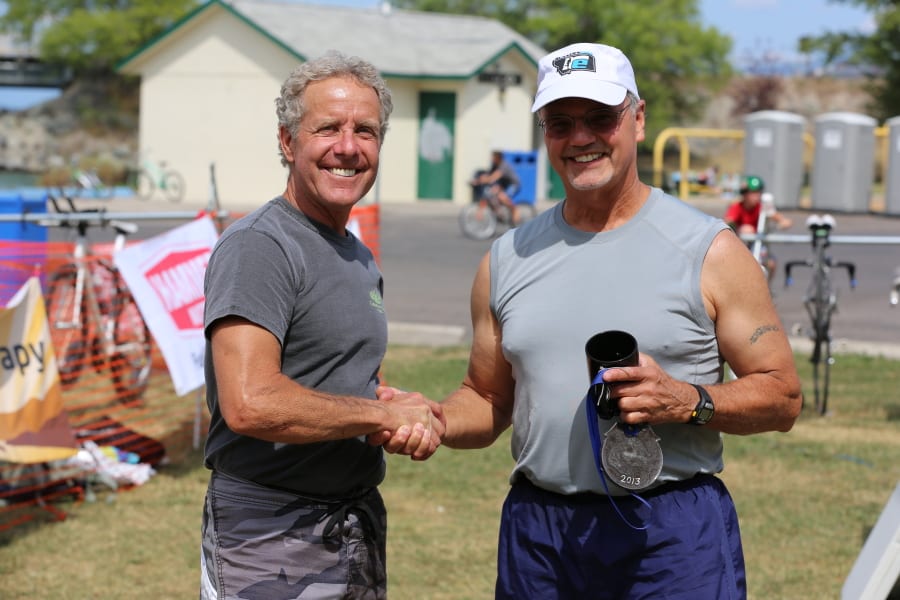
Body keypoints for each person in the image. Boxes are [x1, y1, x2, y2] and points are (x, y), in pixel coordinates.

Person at [380, 42, 802, 598]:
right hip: (541, 535)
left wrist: (688, 400)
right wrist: (433, 419)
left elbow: (782, 396)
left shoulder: (710, 250)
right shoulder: (506, 258)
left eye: (601, 118)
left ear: (638, 119)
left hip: (670, 535)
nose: (580, 138)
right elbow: (487, 398)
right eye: (560, 123)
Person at [199, 51, 445, 600]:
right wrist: (380, 414)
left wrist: (389, 406)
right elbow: (250, 402)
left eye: (366, 131)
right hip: (269, 535)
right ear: (288, 142)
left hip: (353, 522)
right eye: (328, 128)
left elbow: (334, 374)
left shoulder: (356, 254)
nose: (348, 147)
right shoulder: (261, 246)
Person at [725, 175, 793, 280]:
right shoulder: (737, 207)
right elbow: (728, 221)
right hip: (740, 245)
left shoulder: (763, 207)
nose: (756, 196)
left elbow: (778, 217)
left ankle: (766, 287)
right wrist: (739, 229)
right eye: (752, 193)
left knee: (771, 264)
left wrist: (784, 222)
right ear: (744, 194)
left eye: (758, 193)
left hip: (758, 245)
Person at [470, 150, 522, 223]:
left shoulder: (504, 166)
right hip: (504, 184)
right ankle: (499, 214)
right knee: (491, 195)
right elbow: (488, 174)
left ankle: (514, 209)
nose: (491, 159)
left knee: (502, 197)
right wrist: (477, 180)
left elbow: (493, 177)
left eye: (493, 157)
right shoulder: (494, 165)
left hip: (513, 184)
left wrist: (482, 181)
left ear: (498, 158)